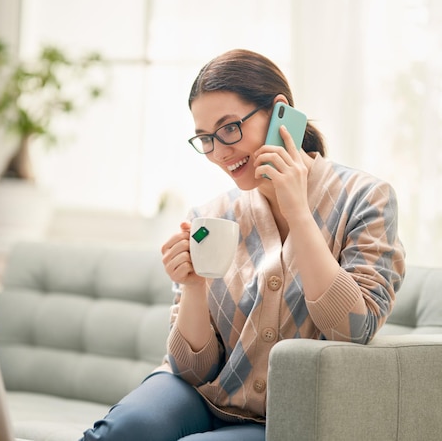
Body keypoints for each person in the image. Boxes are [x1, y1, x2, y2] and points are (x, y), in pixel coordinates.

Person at [80, 49, 406, 441]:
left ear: (278, 112)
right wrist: (193, 286)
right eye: (205, 138)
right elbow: (191, 370)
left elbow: (353, 330)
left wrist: (299, 214)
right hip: (201, 396)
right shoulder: (212, 216)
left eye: (230, 128)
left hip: (295, 416)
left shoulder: (367, 198)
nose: (219, 152)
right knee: (118, 433)